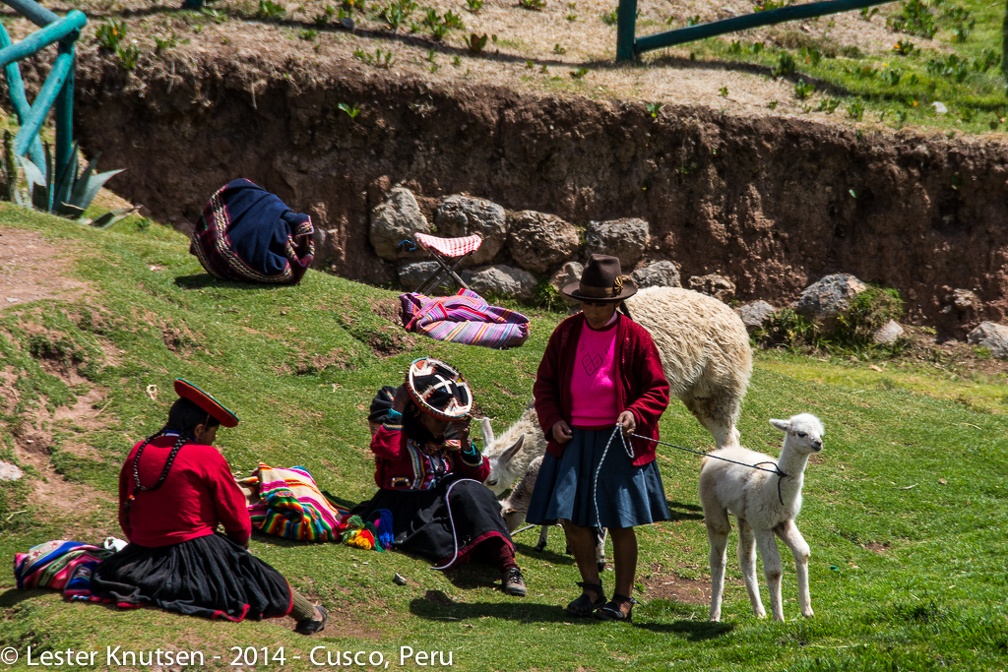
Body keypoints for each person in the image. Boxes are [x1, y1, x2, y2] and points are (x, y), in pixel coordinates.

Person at [90, 379, 327, 634]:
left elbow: (126, 510)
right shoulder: (206, 456)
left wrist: (139, 541)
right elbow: (235, 515)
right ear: (200, 429)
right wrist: (238, 547)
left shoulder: (139, 449)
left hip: (142, 554)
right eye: (213, 434)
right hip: (195, 550)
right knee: (257, 574)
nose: (213, 441)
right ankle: (310, 614)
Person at [526, 254, 671, 622]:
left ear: (616, 302)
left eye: (599, 304)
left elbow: (657, 388)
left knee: (620, 520)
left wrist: (635, 413)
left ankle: (623, 598)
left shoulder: (636, 338)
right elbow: (544, 385)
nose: (590, 310)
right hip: (573, 439)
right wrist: (553, 419)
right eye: (585, 302)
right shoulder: (565, 333)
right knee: (570, 517)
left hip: (617, 443)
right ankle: (591, 588)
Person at [354, 357, 527, 597]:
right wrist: (400, 404)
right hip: (406, 510)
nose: (444, 423)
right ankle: (484, 549)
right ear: (417, 412)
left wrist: (465, 442)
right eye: (439, 418)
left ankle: (510, 567)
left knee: (471, 489)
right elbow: (389, 451)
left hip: (440, 503)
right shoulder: (397, 432)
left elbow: (480, 475)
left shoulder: (444, 438)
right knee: (452, 534)